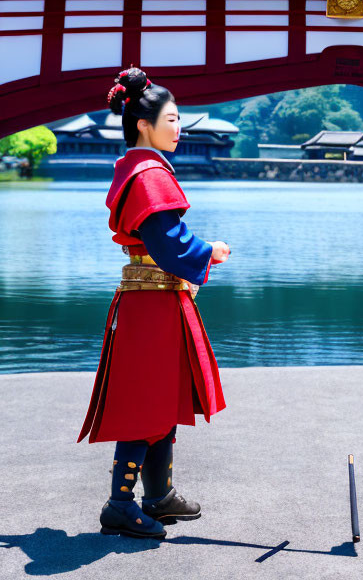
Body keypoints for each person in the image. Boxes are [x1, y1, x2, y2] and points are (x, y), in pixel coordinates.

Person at [78, 67, 230, 539]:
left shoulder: (136, 166)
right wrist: (210, 252)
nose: (178, 127)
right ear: (144, 124)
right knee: (146, 400)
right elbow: (167, 243)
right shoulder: (149, 172)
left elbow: (162, 239)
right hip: (152, 304)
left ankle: (159, 495)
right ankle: (120, 504)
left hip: (151, 299)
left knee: (161, 396)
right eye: (172, 118)